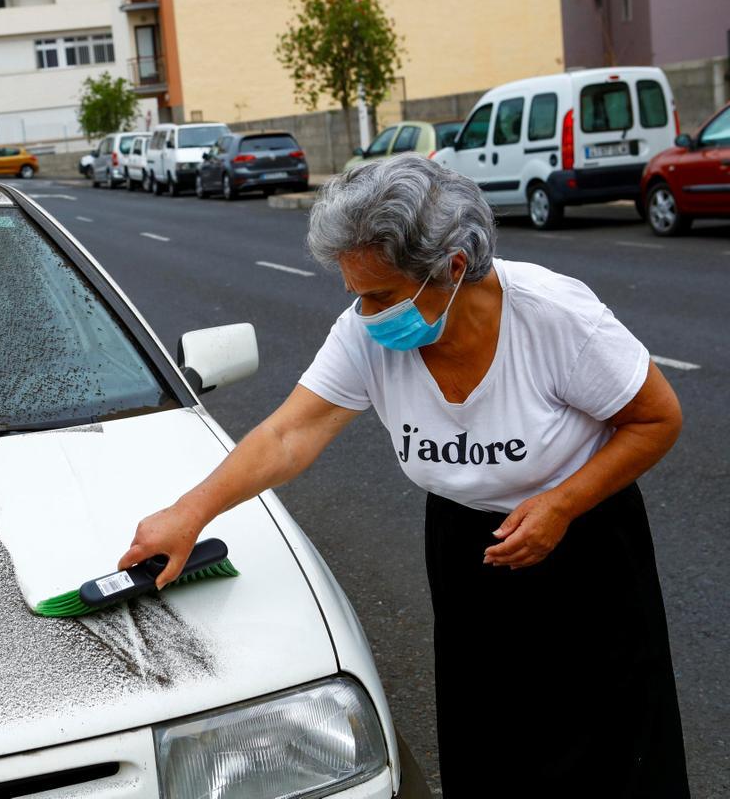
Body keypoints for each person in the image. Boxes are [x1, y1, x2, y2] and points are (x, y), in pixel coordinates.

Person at [119, 154, 689, 798]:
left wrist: (561, 503)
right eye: (356, 295)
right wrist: (191, 512)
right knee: (492, 742)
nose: (366, 314)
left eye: (382, 296)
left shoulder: (554, 317)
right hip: (468, 548)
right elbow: (289, 433)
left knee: (608, 746)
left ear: (450, 268)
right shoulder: (365, 335)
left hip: (584, 542)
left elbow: (656, 420)